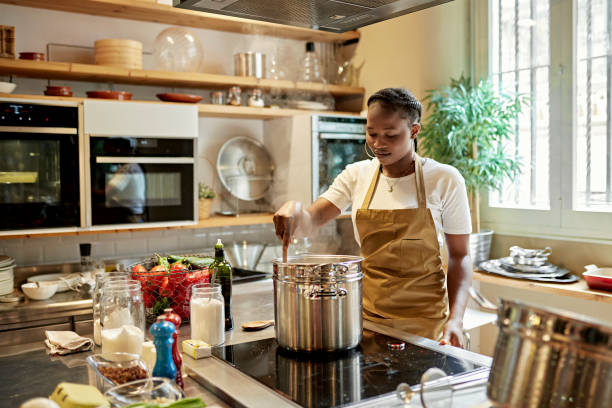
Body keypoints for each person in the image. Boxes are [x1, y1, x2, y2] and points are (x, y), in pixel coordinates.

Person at [273, 88, 473, 347]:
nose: (378, 144)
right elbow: (310, 221)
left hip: (427, 325)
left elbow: (460, 256)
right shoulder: (357, 175)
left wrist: (456, 319)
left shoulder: (444, 179)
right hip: (367, 322)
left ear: (414, 131)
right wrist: (294, 210)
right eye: (372, 133)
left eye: (390, 135)